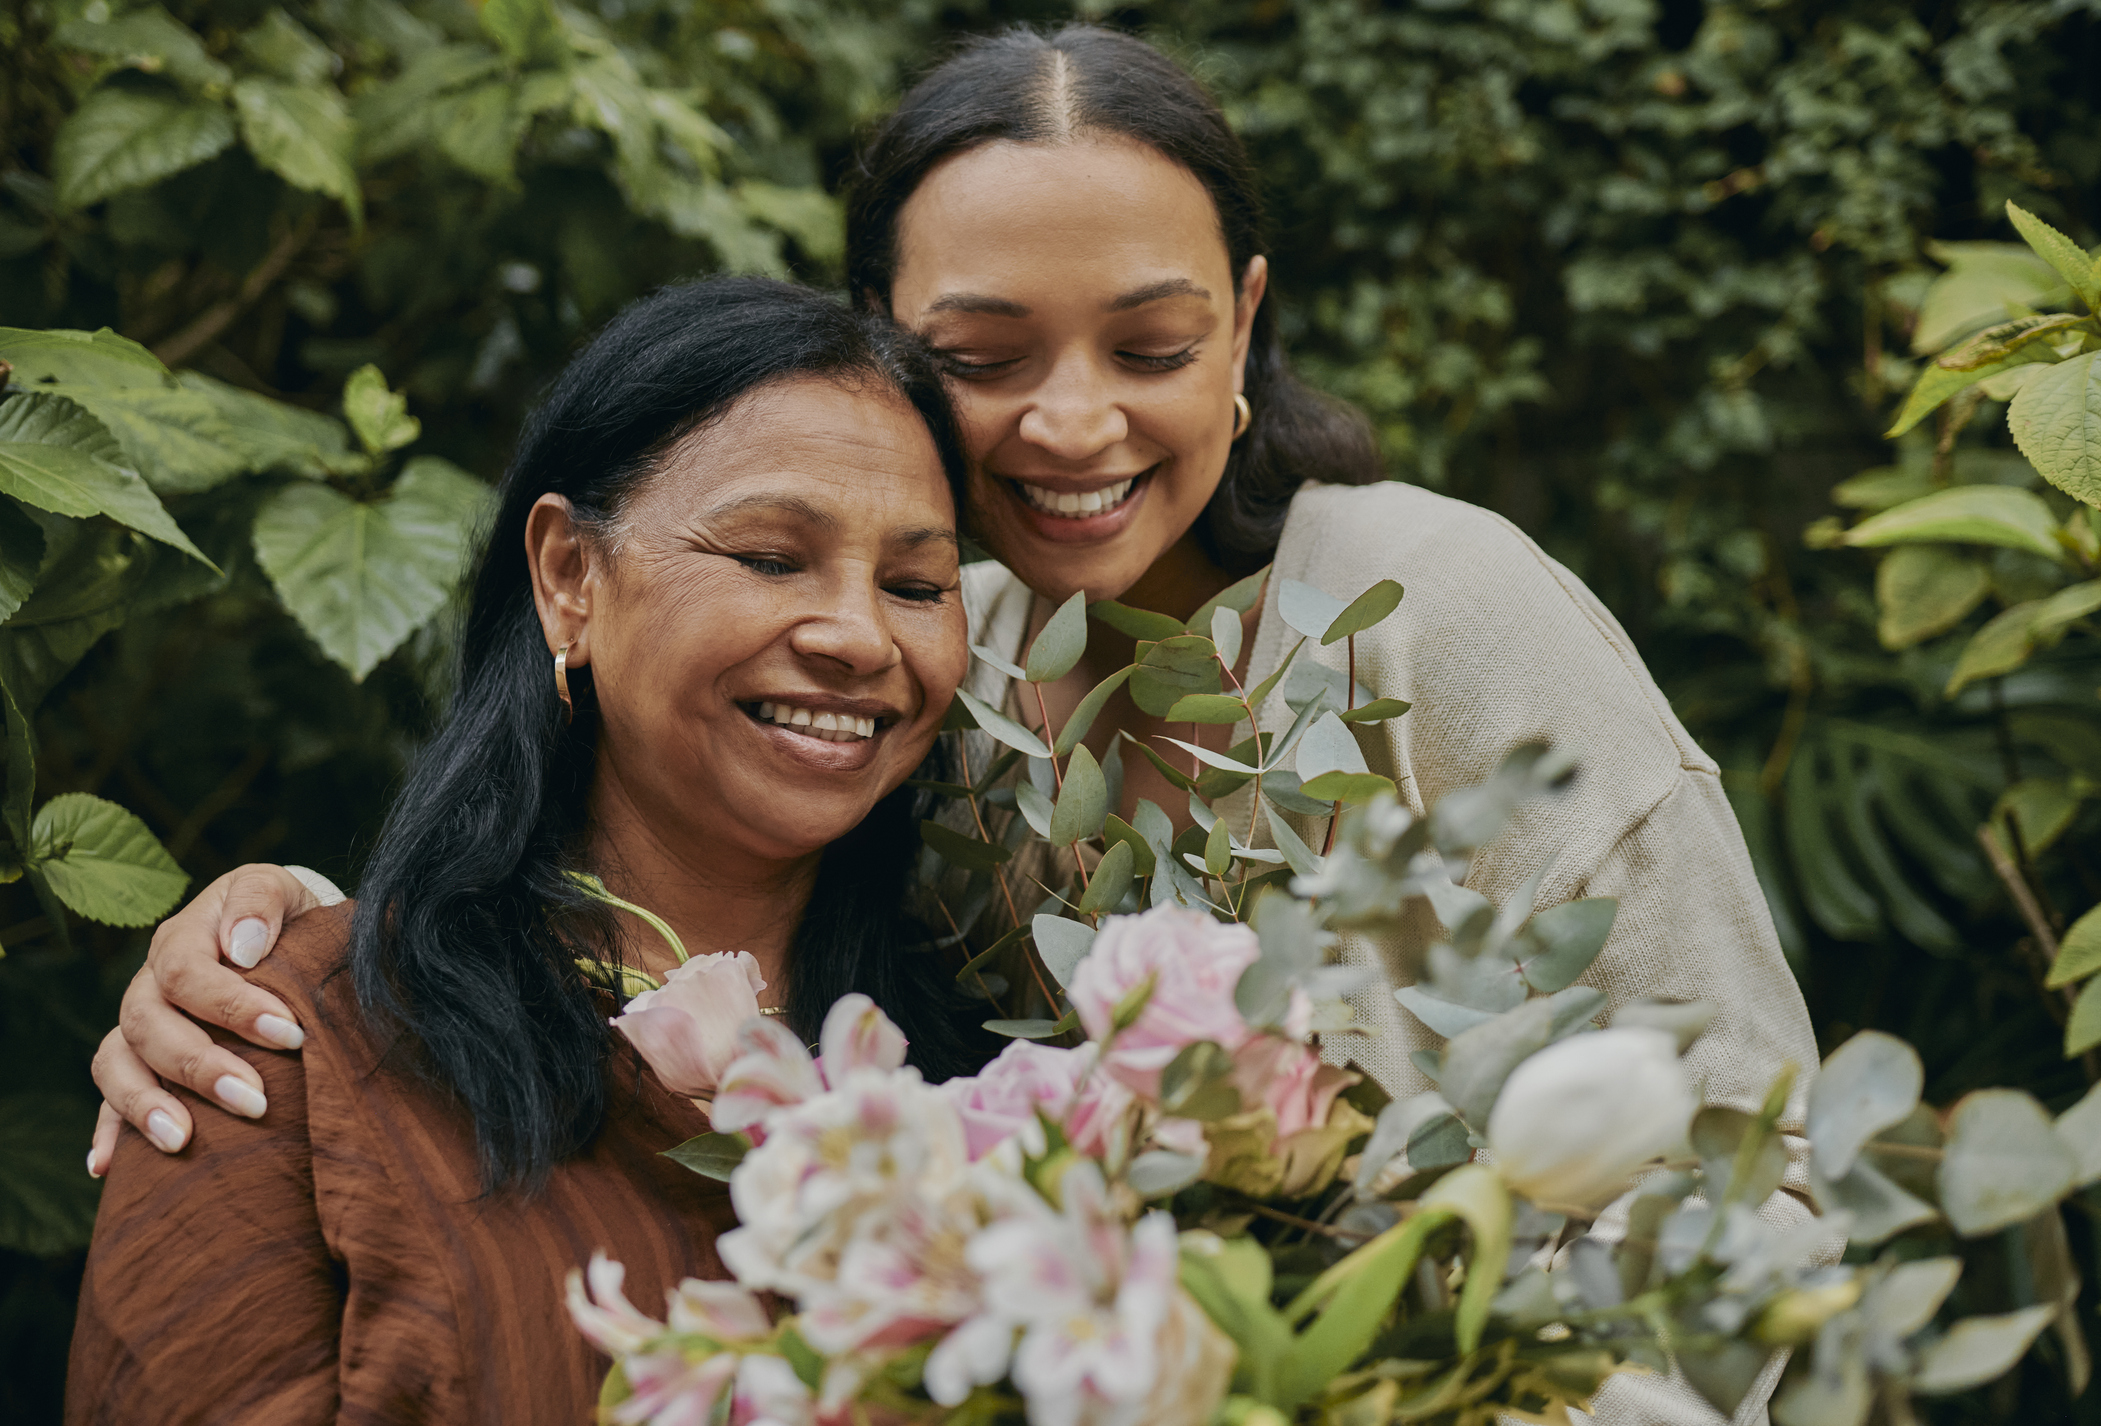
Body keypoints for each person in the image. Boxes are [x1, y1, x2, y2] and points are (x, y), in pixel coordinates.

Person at [95, 23, 1816, 1391]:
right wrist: (275, 935)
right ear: (883, 343)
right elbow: (629, 848)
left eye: (1150, 348)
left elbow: (1754, 1171)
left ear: (1248, 326)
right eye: (986, 359)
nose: (1073, 428)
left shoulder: (1430, 611)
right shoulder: (940, 656)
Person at [67, 277, 987, 1422]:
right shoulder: (283, 1049)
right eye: (767, 556)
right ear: (567, 577)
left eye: (915, 584)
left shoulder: (992, 1079)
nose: (858, 635)